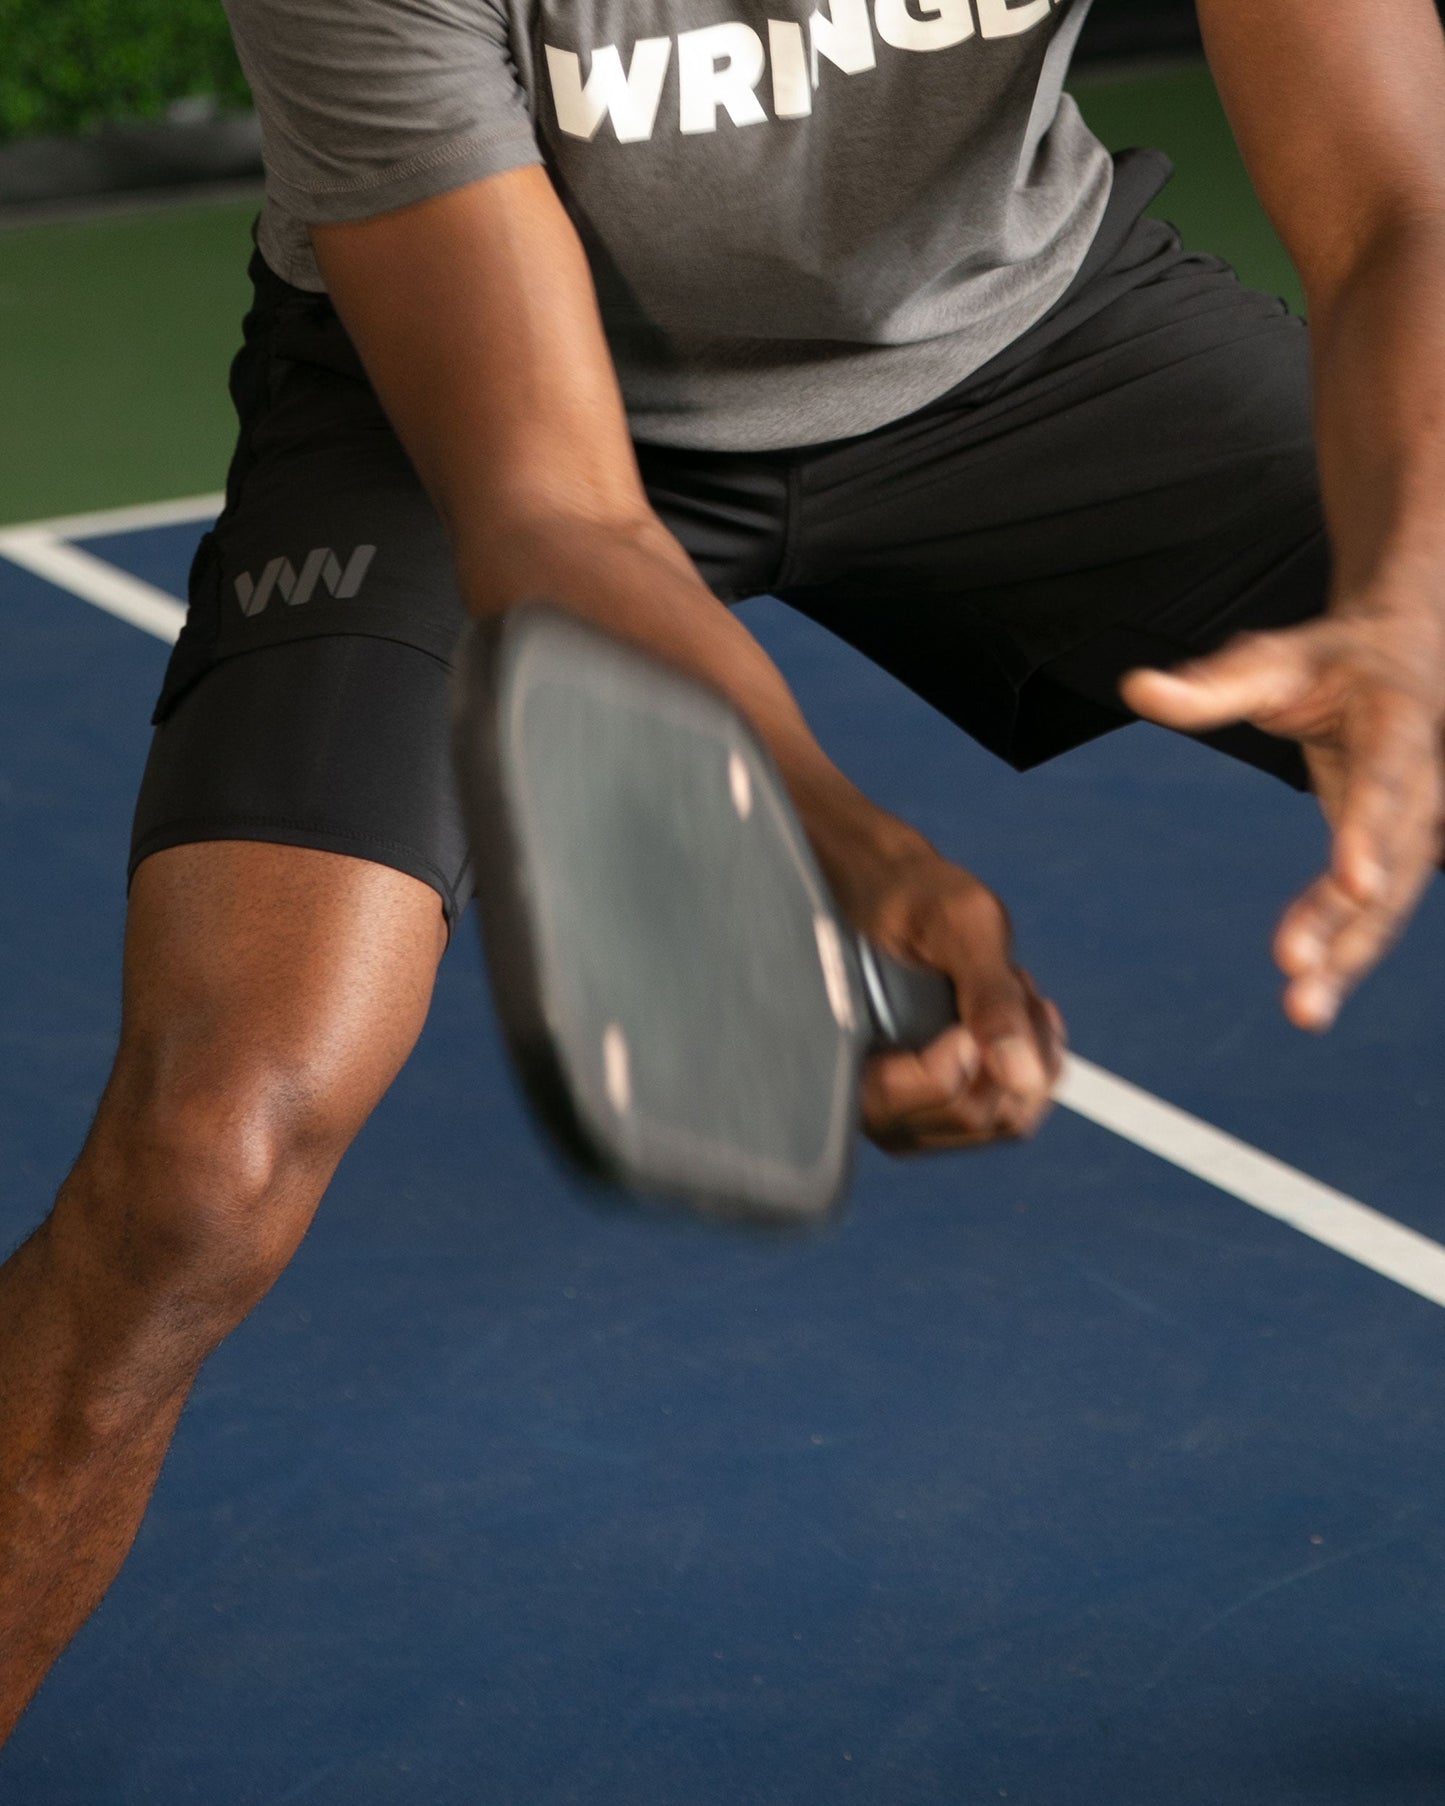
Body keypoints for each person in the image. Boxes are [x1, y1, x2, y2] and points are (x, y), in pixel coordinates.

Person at [2, 0, 1443, 1746]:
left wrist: (1404, 597)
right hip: (483, 406)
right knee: (208, 1151)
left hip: (1014, 338)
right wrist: (837, 838)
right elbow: (557, 507)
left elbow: (1393, 206)